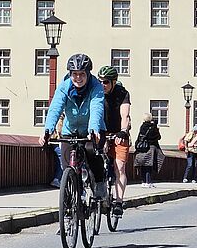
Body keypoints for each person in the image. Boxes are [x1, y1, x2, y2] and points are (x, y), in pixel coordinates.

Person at [39, 53, 107, 198]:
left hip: (91, 130)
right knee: (66, 165)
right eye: (74, 74)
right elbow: (55, 108)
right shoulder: (64, 87)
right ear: (70, 74)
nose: (78, 78)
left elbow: (97, 108)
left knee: (92, 153)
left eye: (82, 74)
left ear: (88, 73)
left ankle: (99, 185)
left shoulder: (96, 87)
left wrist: (93, 129)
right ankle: (70, 199)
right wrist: (47, 130)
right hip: (70, 130)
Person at [97, 65, 131, 216]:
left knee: (120, 167)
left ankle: (118, 202)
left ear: (114, 82)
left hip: (118, 132)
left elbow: (125, 115)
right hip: (101, 131)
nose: (102, 85)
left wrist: (123, 131)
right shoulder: (96, 92)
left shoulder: (121, 93)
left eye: (106, 82)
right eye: (100, 81)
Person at [134, 114, 164, 187]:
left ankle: (143, 182)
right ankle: (148, 182)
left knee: (143, 165)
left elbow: (139, 137)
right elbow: (158, 137)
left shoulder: (142, 127)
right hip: (150, 148)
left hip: (142, 148)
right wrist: (157, 129)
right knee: (149, 165)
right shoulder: (153, 127)